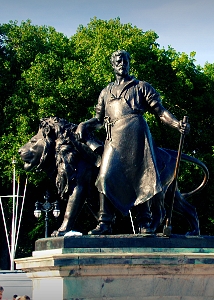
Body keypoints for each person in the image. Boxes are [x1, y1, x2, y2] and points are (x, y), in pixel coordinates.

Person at [77, 50, 190, 234]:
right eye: (118, 62)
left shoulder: (141, 87)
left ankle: (144, 221)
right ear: (113, 65)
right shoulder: (106, 92)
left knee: (142, 177)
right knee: (104, 177)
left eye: (125, 61)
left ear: (129, 63)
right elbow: (98, 119)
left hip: (137, 136)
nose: (122, 64)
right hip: (113, 138)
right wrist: (84, 125)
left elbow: (160, 112)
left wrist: (177, 124)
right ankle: (105, 222)